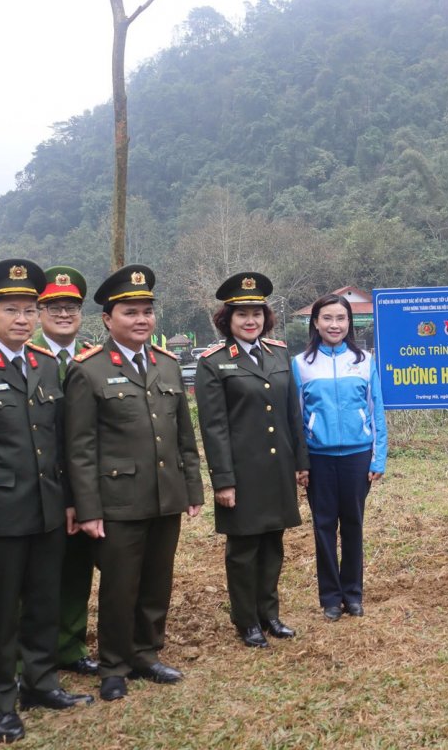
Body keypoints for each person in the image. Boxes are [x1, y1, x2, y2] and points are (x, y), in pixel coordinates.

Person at [0, 260, 92, 744]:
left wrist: (72, 503)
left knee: (43, 604)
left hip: (49, 512)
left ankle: (40, 684)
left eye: (29, 310)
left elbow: (61, 443)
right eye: (11, 310)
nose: (22, 319)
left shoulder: (42, 365)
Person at [64, 265, 204, 701]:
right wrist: (87, 508)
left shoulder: (166, 365)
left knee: (156, 581)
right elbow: (80, 448)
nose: (141, 320)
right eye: (130, 312)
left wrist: (193, 488)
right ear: (107, 319)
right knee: (119, 587)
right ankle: (113, 665)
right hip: (118, 500)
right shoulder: (89, 370)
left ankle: (147, 653)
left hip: (166, 494)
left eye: (147, 312)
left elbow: (184, 435)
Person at [196, 272, 309, 647]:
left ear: (266, 317)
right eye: (242, 313)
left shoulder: (278, 353)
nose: (250, 320)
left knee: (273, 544)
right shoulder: (213, 362)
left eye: (257, 313)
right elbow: (214, 428)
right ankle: (246, 620)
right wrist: (223, 480)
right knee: (243, 549)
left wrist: (301, 462)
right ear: (226, 319)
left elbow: (293, 413)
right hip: (242, 474)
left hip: (277, 469)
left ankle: (270, 614)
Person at [292, 294, 386, 622]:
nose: (335, 325)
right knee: (323, 527)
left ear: (350, 323)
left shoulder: (364, 361)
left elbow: (377, 412)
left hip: (358, 457)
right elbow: (297, 418)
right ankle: (330, 598)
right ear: (315, 323)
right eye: (328, 318)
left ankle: (353, 594)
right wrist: (299, 463)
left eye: (341, 319)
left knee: (354, 526)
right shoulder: (301, 363)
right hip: (319, 458)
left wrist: (379, 458)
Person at [31, 266, 98, 675]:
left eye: (71, 307)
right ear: (39, 313)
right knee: (35, 578)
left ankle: (70, 647)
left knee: (77, 570)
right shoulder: (27, 358)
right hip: (38, 486)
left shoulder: (92, 360)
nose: (63, 314)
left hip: (85, 486)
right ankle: (31, 660)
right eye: (53, 307)